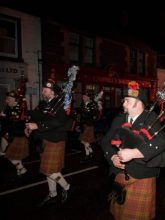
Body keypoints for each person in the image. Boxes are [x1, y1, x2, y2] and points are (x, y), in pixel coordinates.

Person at [101, 81, 165, 220]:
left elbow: (161, 143)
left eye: (127, 100)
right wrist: (113, 157)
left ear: (138, 102)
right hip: (120, 177)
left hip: (141, 176)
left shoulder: (151, 118)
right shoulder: (119, 119)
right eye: (123, 100)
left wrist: (134, 153)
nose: (123, 103)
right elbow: (105, 142)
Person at [25, 79, 73, 207]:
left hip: (55, 140)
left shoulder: (61, 105)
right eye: (42, 89)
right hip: (44, 140)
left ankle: (67, 187)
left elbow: (58, 122)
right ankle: (53, 194)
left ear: (52, 92)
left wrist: (37, 126)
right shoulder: (43, 104)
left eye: (45, 90)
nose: (42, 92)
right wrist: (29, 125)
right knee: (49, 170)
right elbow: (36, 116)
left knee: (48, 170)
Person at [0, 91, 29, 176]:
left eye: (8, 99)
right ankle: (19, 169)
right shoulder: (8, 108)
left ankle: (21, 168)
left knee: (9, 155)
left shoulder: (19, 109)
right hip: (10, 135)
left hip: (17, 136)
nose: (6, 101)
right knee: (13, 156)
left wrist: (2, 117)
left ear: (15, 100)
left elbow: (14, 124)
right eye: (7, 99)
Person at [79, 91, 99, 162]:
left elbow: (94, 115)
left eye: (85, 97)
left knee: (84, 140)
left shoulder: (92, 105)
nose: (83, 98)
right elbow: (81, 113)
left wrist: (86, 115)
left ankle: (90, 153)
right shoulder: (82, 104)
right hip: (83, 124)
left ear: (88, 97)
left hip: (89, 124)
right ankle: (89, 154)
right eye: (83, 96)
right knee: (85, 141)